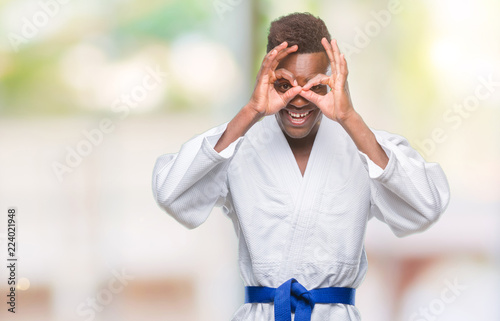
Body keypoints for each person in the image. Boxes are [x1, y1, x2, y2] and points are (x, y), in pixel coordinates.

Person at [152, 12, 450, 321]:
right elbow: (170, 193)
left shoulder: (362, 148)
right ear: (266, 78)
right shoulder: (238, 147)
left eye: (314, 86)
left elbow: (425, 207)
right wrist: (251, 111)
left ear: (332, 81)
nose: (298, 99)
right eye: (284, 85)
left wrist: (350, 119)